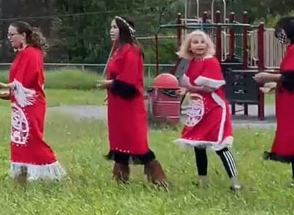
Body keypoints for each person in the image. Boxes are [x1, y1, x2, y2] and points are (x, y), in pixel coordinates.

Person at [98, 17, 169, 187]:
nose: (111, 31)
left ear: (124, 30)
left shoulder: (131, 51)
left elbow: (130, 82)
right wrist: (111, 88)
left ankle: (159, 179)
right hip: (117, 105)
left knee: (136, 142)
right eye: (110, 27)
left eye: (114, 27)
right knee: (119, 140)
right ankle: (121, 179)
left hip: (130, 105)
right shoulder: (117, 51)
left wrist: (111, 84)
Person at [0, 21, 66, 184]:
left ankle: (55, 175)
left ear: (23, 35)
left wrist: (10, 87)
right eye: (8, 35)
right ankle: (21, 179)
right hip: (20, 106)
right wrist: (10, 92)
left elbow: (30, 80)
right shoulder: (22, 54)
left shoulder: (32, 53)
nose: (9, 38)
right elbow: (20, 83)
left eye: (12, 35)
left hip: (31, 105)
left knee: (32, 140)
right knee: (19, 141)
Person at [254, 16, 294, 187]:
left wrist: (266, 76)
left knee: (290, 141)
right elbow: (289, 78)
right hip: (289, 103)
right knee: (291, 141)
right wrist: (273, 85)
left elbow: (293, 77)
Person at [174, 30, 241, 191]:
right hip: (198, 109)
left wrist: (189, 86)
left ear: (208, 45)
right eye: (195, 42)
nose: (199, 45)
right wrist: (183, 90)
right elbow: (187, 85)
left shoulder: (211, 62)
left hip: (215, 108)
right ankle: (202, 180)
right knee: (199, 144)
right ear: (189, 45)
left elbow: (210, 88)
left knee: (220, 145)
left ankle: (235, 183)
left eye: (202, 42)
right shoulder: (189, 62)